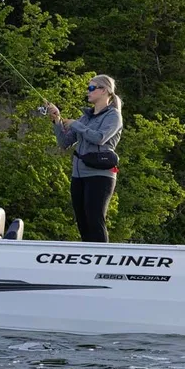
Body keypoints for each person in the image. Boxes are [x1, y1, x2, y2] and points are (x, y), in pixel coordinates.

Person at [46, 75, 123, 243]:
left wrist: (75, 124)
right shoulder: (85, 117)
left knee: (95, 219)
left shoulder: (113, 116)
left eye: (91, 88)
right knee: (82, 221)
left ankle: (101, 261)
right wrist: (57, 120)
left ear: (104, 91)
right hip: (78, 175)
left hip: (100, 175)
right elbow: (65, 142)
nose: (87, 92)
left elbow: (99, 138)